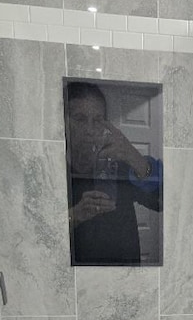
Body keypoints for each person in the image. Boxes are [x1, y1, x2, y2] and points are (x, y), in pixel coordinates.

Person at [65, 81, 162, 265]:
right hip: (75, 281)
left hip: (126, 276)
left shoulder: (121, 166)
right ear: (64, 121)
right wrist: (75, 215)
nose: (90, 130)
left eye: (98, 120)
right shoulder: (51, 170)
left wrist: (134, 157)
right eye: (79, 119)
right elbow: (37, 233)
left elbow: (162, 202)